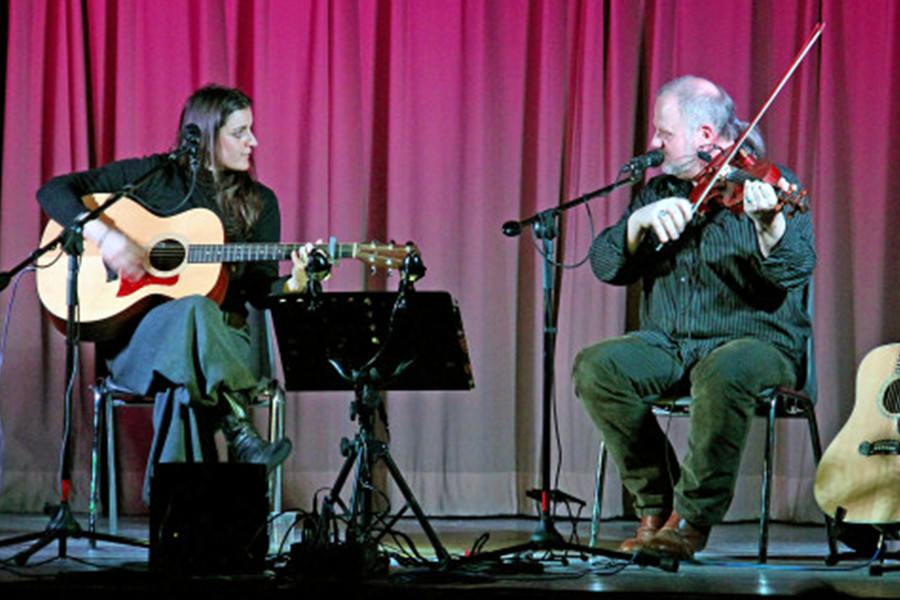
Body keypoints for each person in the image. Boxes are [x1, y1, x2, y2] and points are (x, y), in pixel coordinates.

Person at [571, 75, 815, 560]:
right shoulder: (658, 192)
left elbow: (795, 268)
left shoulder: (770, 184)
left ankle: (691, 519)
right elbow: (605, 266)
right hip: (671, 343)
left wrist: (770, 225)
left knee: (724, 370)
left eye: (664, 133)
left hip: (757, 344)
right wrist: (636, 226)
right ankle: (658, 504)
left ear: (705, 135)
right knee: (597, 366)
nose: (654, 143)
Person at [36, 84, 311, 502]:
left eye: (251, 130)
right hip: (138, 343)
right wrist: (105, 237)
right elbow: (53, 190)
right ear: (204, 135)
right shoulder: (155, 177)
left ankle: (171, 509)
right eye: (240, 132)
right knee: (190, 319)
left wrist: (294, 283)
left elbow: (258, 290)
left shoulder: (260, 203)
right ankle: (236, 425)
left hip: (222, 340)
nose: (252, 142)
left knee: (187, 356)